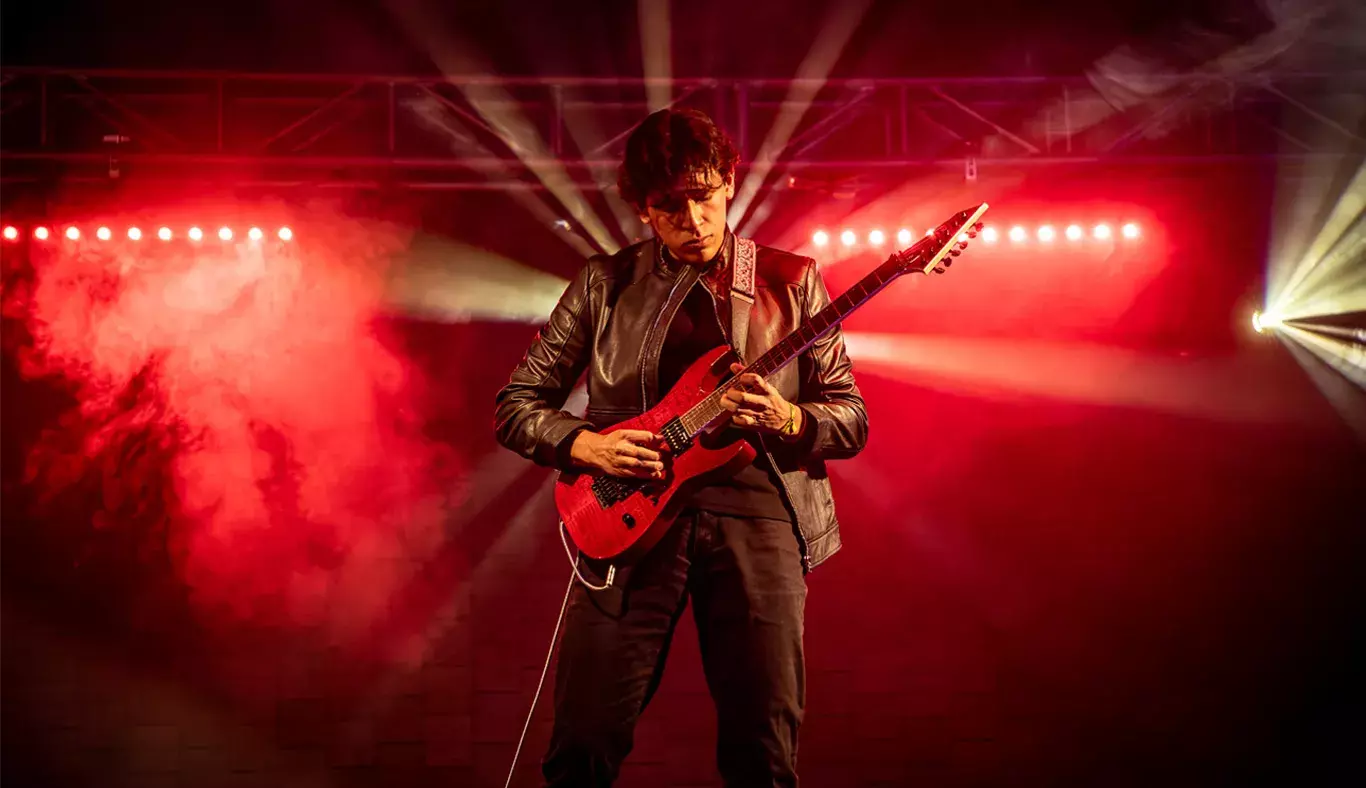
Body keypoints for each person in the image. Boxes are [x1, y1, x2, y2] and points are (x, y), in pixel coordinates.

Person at [493, 107, 868, 787]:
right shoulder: (604, 284)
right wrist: (586, 448)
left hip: (760, 521)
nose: (692, 220)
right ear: (642, 209)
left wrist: (787, 418)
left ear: (728, 183)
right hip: (626, 522)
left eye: (703, 197)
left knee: (764, 755)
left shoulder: (790, 278)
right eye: (669, 207)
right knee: (581, 748)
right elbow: (517, 406)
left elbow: (850, 419)